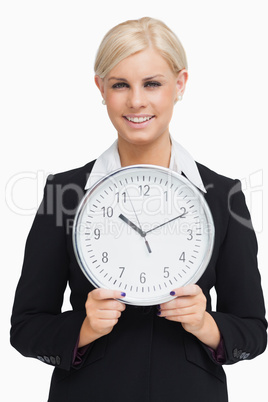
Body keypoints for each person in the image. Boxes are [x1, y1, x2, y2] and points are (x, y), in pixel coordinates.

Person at [10, 17, 267, 402]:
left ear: (179, 84)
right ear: (101, 88)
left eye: (152, 83)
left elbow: (254, 330)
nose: (136, 101)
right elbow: (26, 327)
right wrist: (82, 329)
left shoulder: (222, 195)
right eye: (120, 85)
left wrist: (206, 324)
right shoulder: (64, 192)